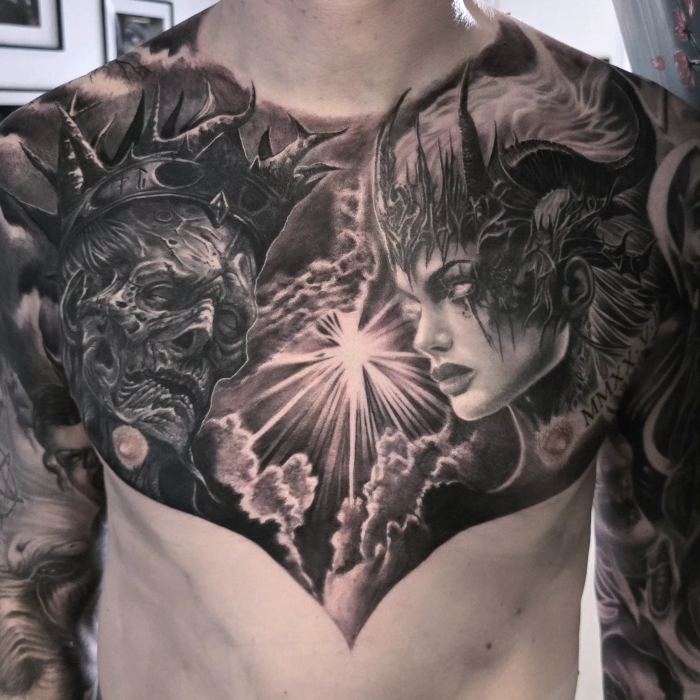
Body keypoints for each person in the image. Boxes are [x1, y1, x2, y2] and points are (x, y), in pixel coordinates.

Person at [0, 1, 697, 699]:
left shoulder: (660, 168)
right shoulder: (32, 175)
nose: (422, 339)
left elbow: (666, 624)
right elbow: (24, 597)